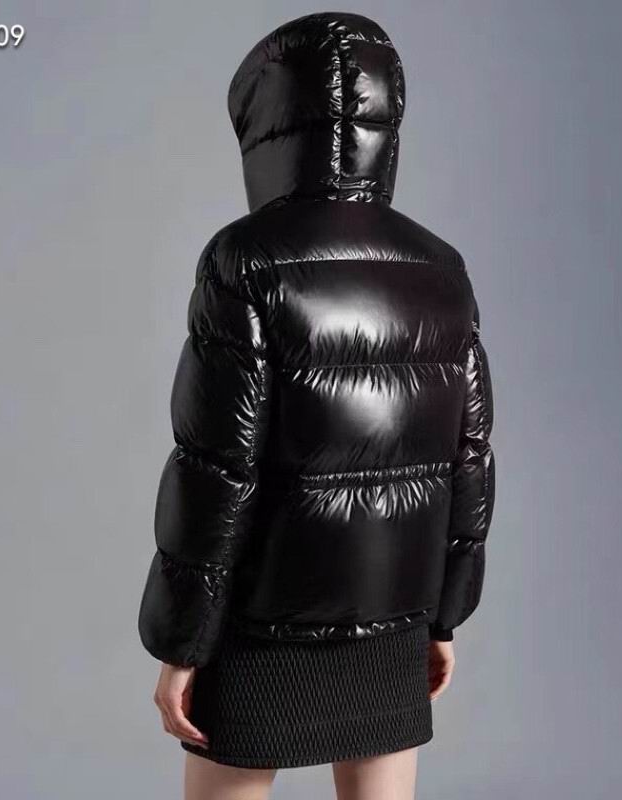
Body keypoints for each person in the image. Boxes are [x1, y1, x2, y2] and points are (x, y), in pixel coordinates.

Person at [138, 11, 496, 800]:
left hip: (262, 623)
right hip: (394, 614)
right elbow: (469, 464)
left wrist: (182, 642)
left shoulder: (244, 260)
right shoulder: (441, 268)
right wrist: (443, 617)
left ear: (268, 122)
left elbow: (215, 470)